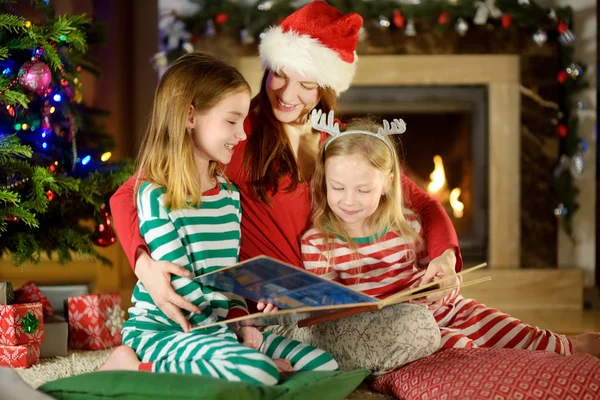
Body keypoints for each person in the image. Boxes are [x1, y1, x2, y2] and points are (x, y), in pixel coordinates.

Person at [111, 1, 455, 343]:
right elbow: (130, 191)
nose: (287, 95)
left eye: (306, 85)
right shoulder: (233, 134)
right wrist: (145, 266)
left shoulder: (342, 139)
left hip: (335, 304)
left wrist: (445, 257)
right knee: (413, 335)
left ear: (326, 87)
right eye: (280, 75)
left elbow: (422, 203)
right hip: (264, 314)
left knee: (442, 323)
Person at [99, 53, 339, 382]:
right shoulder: (155, 196)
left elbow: (228, 280)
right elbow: (183, 290)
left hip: (221, 328)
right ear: (189, 117)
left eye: (243, 122)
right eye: (231, 121)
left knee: (324, 366)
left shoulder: (227, 195)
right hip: (168, 333)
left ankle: (245, 371)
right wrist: (234, 338)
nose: (242, 134)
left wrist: (245, 323)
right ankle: (131, 367)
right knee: (256, 369)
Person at [301, 111, 600, 357]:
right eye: (337, 188)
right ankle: (505, 369)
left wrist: (442, 288)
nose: (348, 200)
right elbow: (326, 310)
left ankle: (568, 347)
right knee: (461, 349)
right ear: (324, 181)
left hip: (445, 312)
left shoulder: (408, 226)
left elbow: (437, 280)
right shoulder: (318, 243)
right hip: (400, 331)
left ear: (389, 184)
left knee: (498, 325)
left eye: (363, 190)